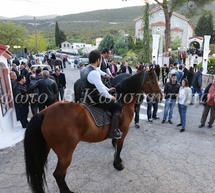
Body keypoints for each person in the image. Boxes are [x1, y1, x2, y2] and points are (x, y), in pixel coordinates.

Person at [81, 50, 122, 139]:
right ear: (98, 60)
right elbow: (101, 91)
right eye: (100, 59)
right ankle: (113, 132)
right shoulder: (94, 73)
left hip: (84, 96)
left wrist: (108, 89)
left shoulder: (84, 69)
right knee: (118, 106)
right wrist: (111, 97)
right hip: (94, 99)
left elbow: (99, 84)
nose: (100, 61)